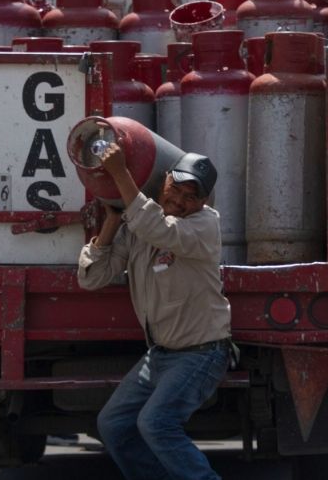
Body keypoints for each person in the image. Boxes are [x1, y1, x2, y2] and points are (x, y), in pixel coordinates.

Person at [77, 143, 232, 480]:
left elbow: (156, 228)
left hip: (201, 353)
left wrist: (119, 173)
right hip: (160, 355)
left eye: (191, 196)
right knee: (114, 425)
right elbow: (93, 277)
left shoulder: (204, 225)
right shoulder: (140, 224)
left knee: (156, 424)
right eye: (176, 188)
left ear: (204, 202)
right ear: (164, 181)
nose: (180, 200)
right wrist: (112, 221)